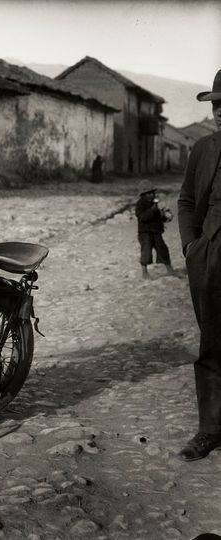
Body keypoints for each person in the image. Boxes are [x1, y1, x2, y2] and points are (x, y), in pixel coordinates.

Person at [176, 69, 221, 461]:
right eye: (216, 104)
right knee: (212, 342)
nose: (220, 111)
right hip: (209, 257)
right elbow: (187, 200)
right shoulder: (203, 149)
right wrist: (192, 246)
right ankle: (210, 429)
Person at [135, 179, 174, 279]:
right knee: (146, 252)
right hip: (145, 233)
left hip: (156, 232)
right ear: (142, 195)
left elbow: (157, 218)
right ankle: (144, 273)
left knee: (163, 250)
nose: (151, 195)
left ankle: (170, 270)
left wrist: (164, 216)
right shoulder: (140, 204)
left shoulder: (154, 204)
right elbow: (142, 217)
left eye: (152, 193)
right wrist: (152, 211)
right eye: (148, 193)